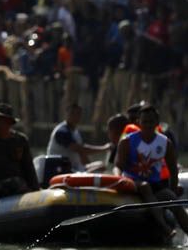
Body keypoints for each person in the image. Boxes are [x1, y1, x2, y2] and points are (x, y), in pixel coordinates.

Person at [115, 105, 188, 240]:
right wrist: (119, 180)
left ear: (157, 122)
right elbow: (118, 166)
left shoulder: (166, 143)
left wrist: (173, 189)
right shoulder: (127, 141)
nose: (148, 125)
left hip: (156, 185)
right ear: (138, 123)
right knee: (144, 186)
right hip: (132, 184)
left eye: (151, 122)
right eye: (145, 122)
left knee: (171, 197)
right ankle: (165, 228)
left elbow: (173, 170)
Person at [46, 103, 111, 172]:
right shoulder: (61, 131)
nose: (75, 116)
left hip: (74, 167)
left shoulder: (76, 132)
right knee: (99, 168)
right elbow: (80, 149)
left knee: (101, 165)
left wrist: (88, 166)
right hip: (60, 168)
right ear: (66, 114)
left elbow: (82, 153)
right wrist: (104, 148)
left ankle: (85, 175)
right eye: (72, 113)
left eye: (78, 114)